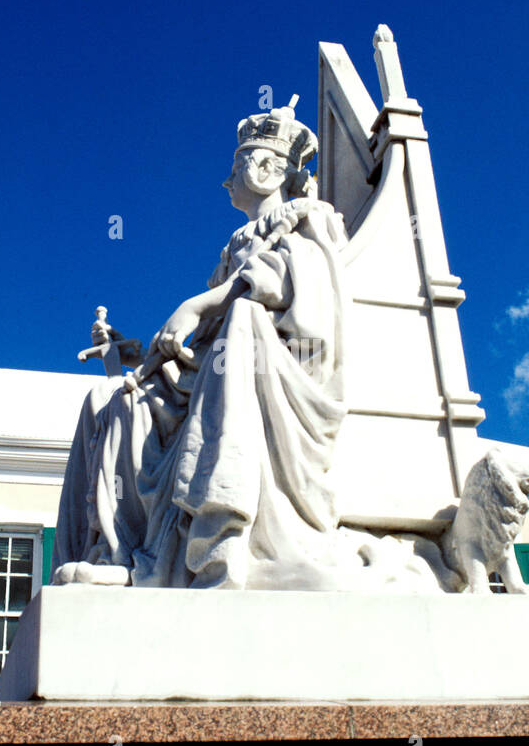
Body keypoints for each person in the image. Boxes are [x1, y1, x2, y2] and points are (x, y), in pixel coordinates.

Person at [52, 98, 349, 590]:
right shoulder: (236, 240)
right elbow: (204, 329)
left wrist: (196, 304)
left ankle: (202, 545)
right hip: (210, 366)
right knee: (110, 399)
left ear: (265, 170)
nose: (227, 179)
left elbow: (286, 283)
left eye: (236, 165)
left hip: (270, 358)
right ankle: (119, 551)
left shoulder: (305, 218)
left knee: (240, 323)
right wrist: (137, 352)